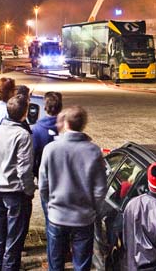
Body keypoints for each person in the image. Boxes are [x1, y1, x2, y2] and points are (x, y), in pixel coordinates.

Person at [39, 105, 107, 271]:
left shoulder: (51, 149)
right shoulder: (93, 151)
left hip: (57, 217)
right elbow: (100, 190)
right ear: (83, 124)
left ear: (66, 123)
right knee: (82, 264)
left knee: (55, 264)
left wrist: (50, 207)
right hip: (83, 218)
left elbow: (43, 186)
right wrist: (93, 210)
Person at [0, 95, 35, 271]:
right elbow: (24, 169)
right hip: (15, 193)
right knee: (13, 245)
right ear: (25, 113)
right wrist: (29, 190)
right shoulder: (23, 135)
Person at [32, 91, 62, 179]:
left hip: (43, 168)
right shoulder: (65, 125)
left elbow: (34, 151)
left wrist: (34, 171)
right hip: (61, 169)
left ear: (45, 107)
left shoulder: (37, 128)